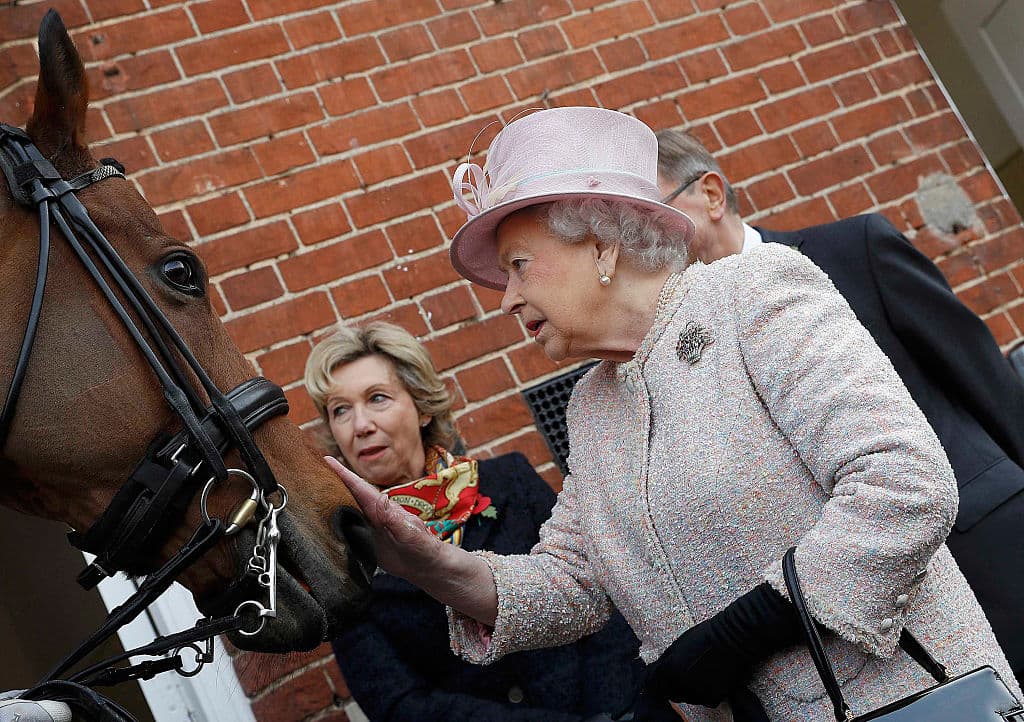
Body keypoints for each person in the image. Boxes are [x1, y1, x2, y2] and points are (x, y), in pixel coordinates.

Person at [326, 107, 1020, 721]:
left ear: (601, 246)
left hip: (905, 702)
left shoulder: (751, 294)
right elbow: (572, 585)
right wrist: (428, 564)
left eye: (517, 264)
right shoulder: (593, 406)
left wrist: (755, 624)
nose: (506, 298)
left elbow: (905, 483)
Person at [655, 127, 1024, 679]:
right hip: (884, 637)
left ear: (710, 194)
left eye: (654, 217)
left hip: (990, 548)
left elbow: (983, 378)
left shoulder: (854, 249)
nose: (645, 242)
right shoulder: (681, 355)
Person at [305, 321, 675, 721]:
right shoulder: (345, 559)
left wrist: (618, 710)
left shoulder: (509, 481)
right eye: (340, 410)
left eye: (377, 398)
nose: (360, 425)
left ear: (423, 407)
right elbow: (398, 705)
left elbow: (603, 592)